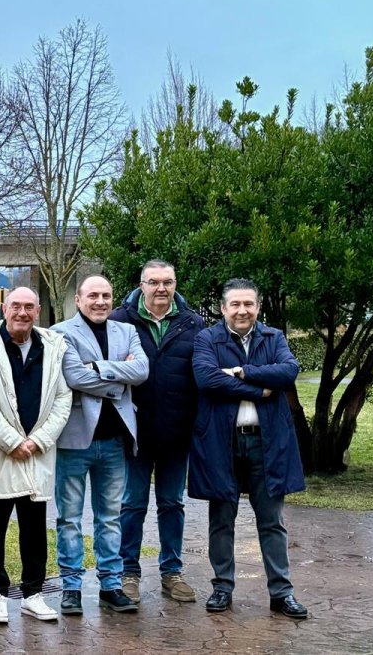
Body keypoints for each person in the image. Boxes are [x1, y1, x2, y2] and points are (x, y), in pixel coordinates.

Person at [191, 278, 308, 619]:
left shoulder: (274, 338)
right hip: (221, 441)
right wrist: (260, 389)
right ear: (223, 308)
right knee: (221, 519)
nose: (242, 311)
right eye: (235, 304)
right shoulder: (206, 339)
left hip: (266, 441)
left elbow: (288, 372)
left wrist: (243, 371)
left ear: (258, 307)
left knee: (272, 521)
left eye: (249, 304)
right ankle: (221, 589)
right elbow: (207, 379)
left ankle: (281, 593)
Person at [0, 287, 70, 624]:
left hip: (37, 453)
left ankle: (33, 594)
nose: (22, 313)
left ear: (38, 311)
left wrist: (39, 440)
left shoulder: (53, 346)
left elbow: (62, 398)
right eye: (16, 306)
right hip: (0, 453)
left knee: (34, 526)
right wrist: (13, 441)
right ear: (4, 307)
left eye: (29, 306)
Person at [51, 275, 148, 616]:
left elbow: (142, 370)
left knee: (110, 518)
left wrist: (100, 369)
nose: (100, 301)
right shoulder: (61, 332)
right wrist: (117, 382)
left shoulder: (127, 331)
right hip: (75, 441)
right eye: (93, 295)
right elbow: (74, 376)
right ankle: (71, 588)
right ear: (78, 299)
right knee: (70, 520)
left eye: (106, 295)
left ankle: (111, 584)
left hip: (114, 442)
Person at [109, 260, 205, 604]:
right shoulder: (119, 321)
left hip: (177, 434)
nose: (161, 289)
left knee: (172, 503)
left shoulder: (193, 324)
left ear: (176, 284)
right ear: (142, 284)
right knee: (132, 504)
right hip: (134, 433)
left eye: (167, 282)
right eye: (154, 282)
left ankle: (172, 572)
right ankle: (129, 573)